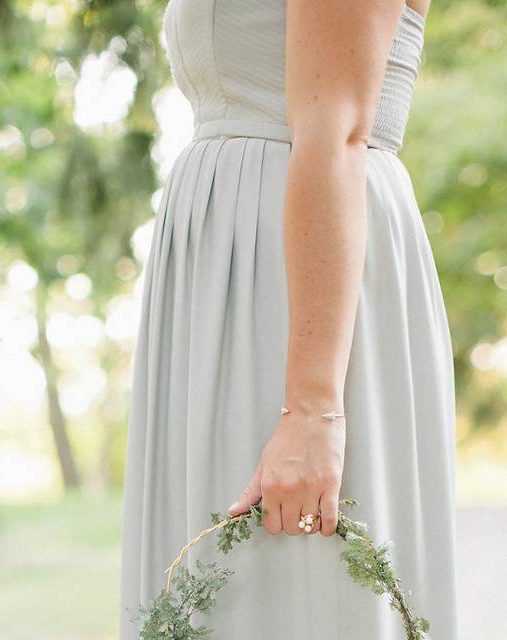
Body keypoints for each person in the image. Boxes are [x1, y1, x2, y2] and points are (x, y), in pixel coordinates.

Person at [118, 0, 457, 638]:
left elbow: (338, 132)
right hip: (220, 280)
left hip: (294, 284)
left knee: (304, 590)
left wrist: (311, 408)